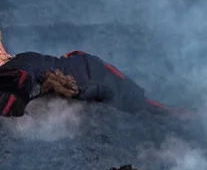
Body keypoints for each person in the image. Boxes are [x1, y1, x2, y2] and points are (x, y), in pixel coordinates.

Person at [0, 30, 194, 118]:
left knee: (144, 105)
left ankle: (180, 115)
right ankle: (179, 113)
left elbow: (18, 85)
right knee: (144, 104)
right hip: (91, 68)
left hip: (91, 74)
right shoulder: (25, 60)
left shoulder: (19, 65)